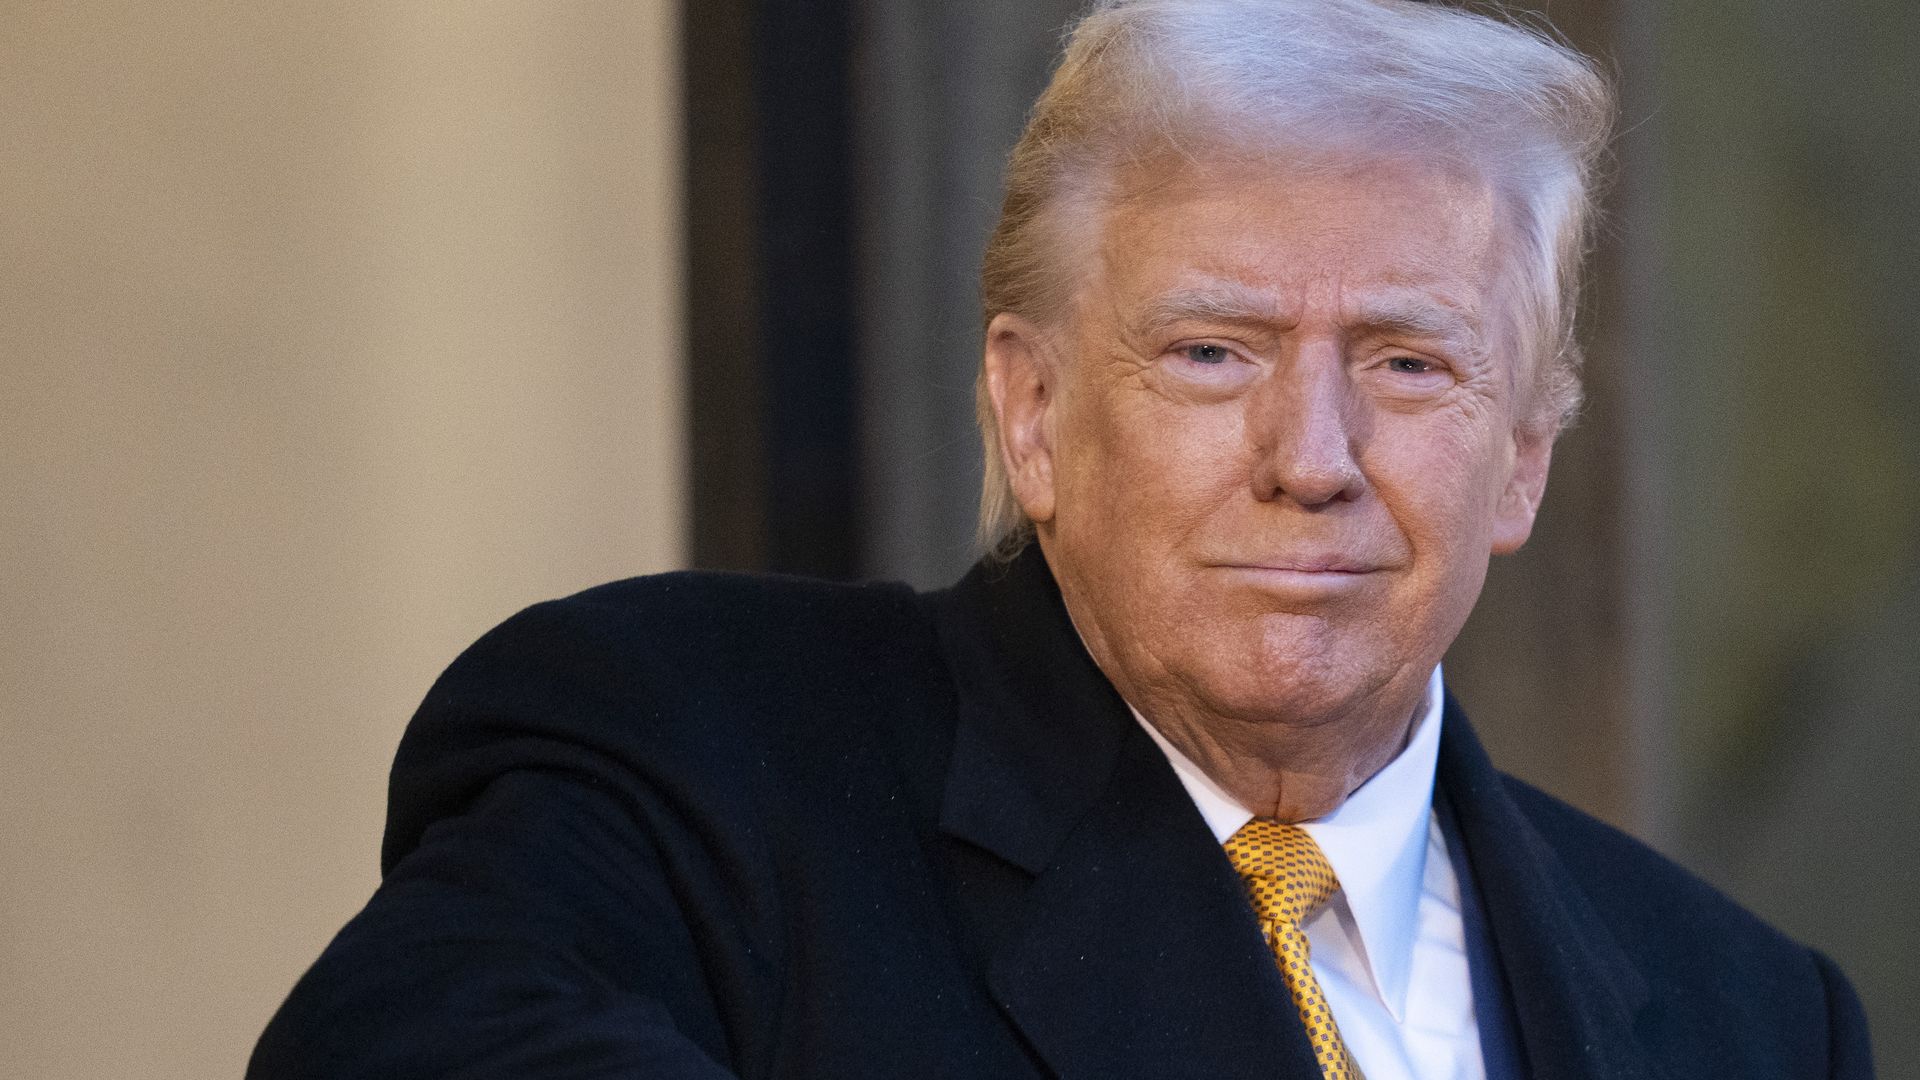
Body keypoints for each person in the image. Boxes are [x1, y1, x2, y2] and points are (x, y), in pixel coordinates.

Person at [251, 1, 1874, 1077]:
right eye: (1213, 352)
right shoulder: (695, 756)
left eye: (1407, 363)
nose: (1312, 459)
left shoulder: (1750, 1019)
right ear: (1030, 413)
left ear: (1522, 461)